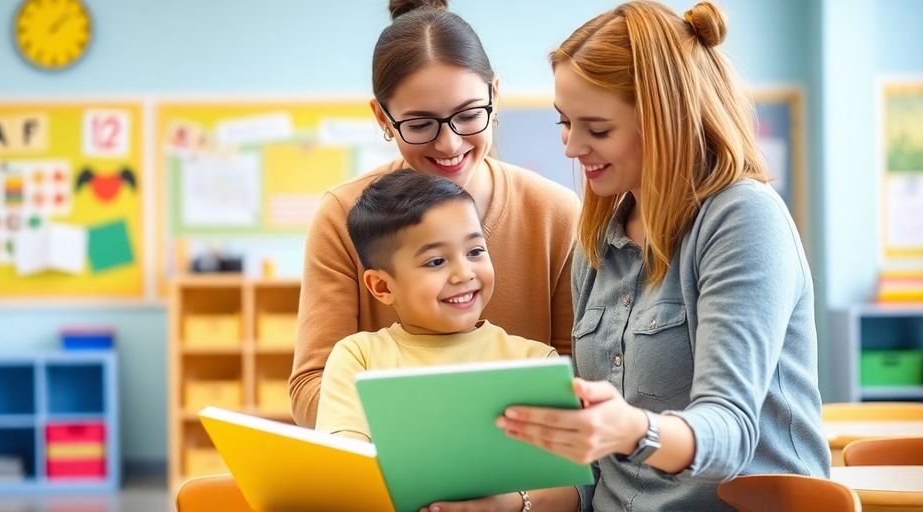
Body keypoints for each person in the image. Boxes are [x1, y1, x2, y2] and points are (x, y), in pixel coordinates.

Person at [425, 2, 831, 511]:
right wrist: (512, 505)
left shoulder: (743, 218)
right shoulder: (597, 240)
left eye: (597, 129)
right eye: (565, 123)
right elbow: (596, 471)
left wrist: (632, 429)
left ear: (667, 120)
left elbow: (729, 436)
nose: (572, 148)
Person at [289, 0, 581, 428]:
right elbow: (312, 387)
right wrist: (442, 429)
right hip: (391, 471)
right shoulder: (342, 216)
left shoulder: (554, 212)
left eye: (467, 115)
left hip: (519, 470)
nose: (449, 144)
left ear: (494, 96)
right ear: (382, 117)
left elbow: (570, 375)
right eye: (421, 124)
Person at [316, 169, 580, 512]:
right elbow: (343, 470)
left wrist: (508, 505)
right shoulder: (358, 357)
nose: (464, 273)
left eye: (475, 251)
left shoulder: (536, 362)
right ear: (382, 286)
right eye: (436, 261)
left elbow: (570, 491)